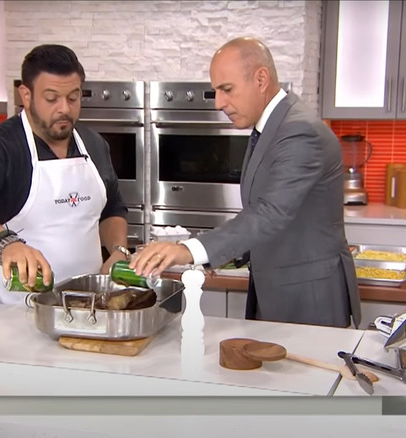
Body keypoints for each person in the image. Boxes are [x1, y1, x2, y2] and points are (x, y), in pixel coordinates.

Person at [131, 37, 361, 328]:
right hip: (281, 291)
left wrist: (190, 249)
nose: (219, 103)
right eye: (216, 91)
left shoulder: (299, 131)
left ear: (261, 79)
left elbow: (270, 212)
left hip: (307, 299)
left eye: (227, 90)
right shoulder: (270, 127)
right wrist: (216, 256)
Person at [0, 44, 129, 304]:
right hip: (11, 316)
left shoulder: (93, 143)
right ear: (26, 95)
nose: (64, 108)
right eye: (52, 99)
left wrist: (118, 250)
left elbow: (112, 209)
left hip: (87, 309)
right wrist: (6, 245)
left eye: (73, 98)